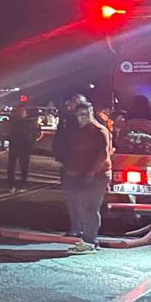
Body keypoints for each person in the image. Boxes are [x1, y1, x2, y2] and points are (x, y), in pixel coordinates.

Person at [56, 99, 111, 254]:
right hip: (83, 175)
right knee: (85, 207)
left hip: (97, 176)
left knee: (91, 208)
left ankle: (90, 241)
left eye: (86, 115)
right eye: (80, 115)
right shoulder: (80, 131)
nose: (83, 118)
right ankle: (88, 240)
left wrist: (90, 173)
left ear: (91, 114)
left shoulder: (99, 131)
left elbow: (102, 155)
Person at [6, 105, 37, 188]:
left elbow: (33, 135)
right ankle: (12, 184)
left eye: (22, 111)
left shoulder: (28, 123)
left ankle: (21, 183)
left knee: (22, 167)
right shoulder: (15, 122)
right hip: (16, 147)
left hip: (23, 147)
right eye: (19, 112)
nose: (21, 113)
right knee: (13, 167)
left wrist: (30, 145)